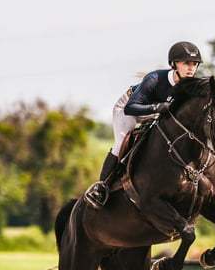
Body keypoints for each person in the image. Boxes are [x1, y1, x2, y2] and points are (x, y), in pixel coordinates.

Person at [84, 41, 203, 210]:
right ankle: (101, 187)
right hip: (128, 109)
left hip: (156, 113)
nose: (191, 68)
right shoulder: (154, 79)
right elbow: (130, 107)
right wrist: (157, 108)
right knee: (122, 143)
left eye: (194, 64)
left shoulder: (190, 86)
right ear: (173, 64)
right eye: (186, 63)